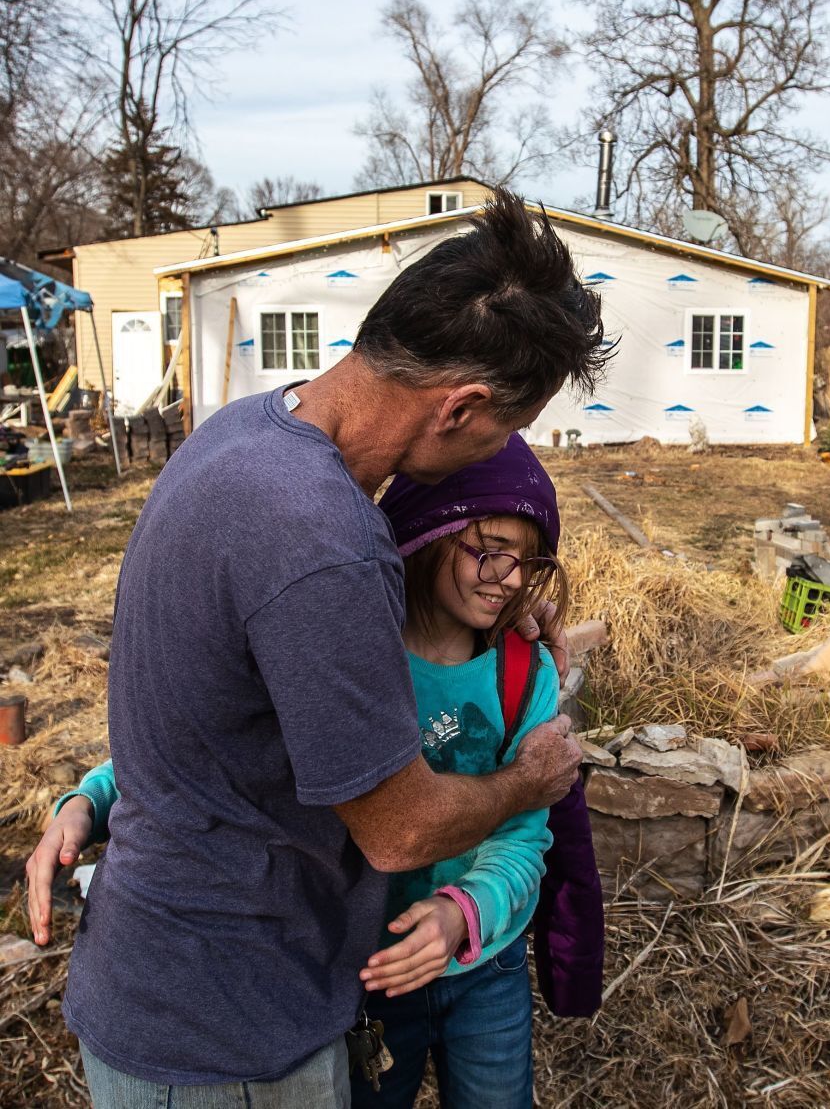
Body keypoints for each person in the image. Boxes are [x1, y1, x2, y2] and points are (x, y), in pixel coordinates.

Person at [24, 188, 607, 1106]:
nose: (497, 454)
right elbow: (402, 829)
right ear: (461, 406)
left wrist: (495, 598)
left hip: (160, 978)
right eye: (503, 431)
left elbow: (214, 713)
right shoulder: (323, 541)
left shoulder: (239, 438)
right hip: (230, 1027)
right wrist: (526, 784)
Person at [50, 436, 603, 1108]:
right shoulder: (349, 653)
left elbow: (524, 831)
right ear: (432, 529)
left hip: (487, 961)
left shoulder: (523, 674)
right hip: (361, 967)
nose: (510, 578)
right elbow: (214, 744)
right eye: (488, 548)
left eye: (528, 561)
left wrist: (468, 912)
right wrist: (92, 796)